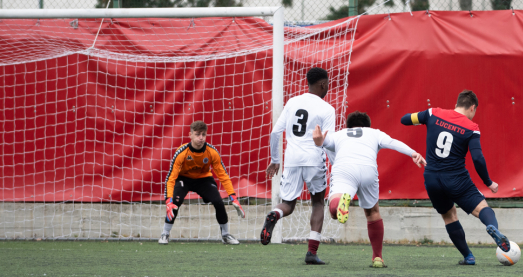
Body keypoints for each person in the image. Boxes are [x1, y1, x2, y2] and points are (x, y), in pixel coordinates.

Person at [400, 90, 510, 265]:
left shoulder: (432, 113)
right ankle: (493, 228)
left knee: (449, 216)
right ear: (472, 108)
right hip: (456, 179)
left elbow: (404, 119)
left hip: (432, 179)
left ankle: (468, 256)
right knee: (482, 208)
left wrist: (420, 120)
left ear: (457, 104)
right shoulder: (471, 128)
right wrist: (488, 182)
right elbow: (477, 158)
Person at [313, 111, 426, 268]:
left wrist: (319, 142)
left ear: (348, 126)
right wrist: (413, 153)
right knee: (372, 213)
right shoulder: (374, 133)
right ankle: (377, 258)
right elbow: (393, 142)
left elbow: (322, 141)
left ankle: (339, 204)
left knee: (334, 209)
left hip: (345, 169)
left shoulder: (339, 134)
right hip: (368, 170)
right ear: (367, 126)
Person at [261, 67, 336, 265]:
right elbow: (328, 142)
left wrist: (275, 160)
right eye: (327, 84)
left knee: (288, 204)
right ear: (323, 84)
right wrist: (337, 166)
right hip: (313, 159)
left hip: (292, 160)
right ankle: (311, 253)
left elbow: (275, 133)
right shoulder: (327, 109)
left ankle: (274, 214)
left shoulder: (293, 102)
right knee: (318, 202)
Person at [159, 120, 245, 245]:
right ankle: (165, 233)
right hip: (183, 179)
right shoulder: (181, 152)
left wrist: (233, 196)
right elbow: (171, 178)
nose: (201, 138)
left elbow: (223, 175)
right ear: (190, 135)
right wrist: (168, 200)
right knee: (175, 202)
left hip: (203, 179)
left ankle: (225, 235)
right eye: (198, 134)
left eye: (203, 134)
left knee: (218, 201)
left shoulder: (212, 152)